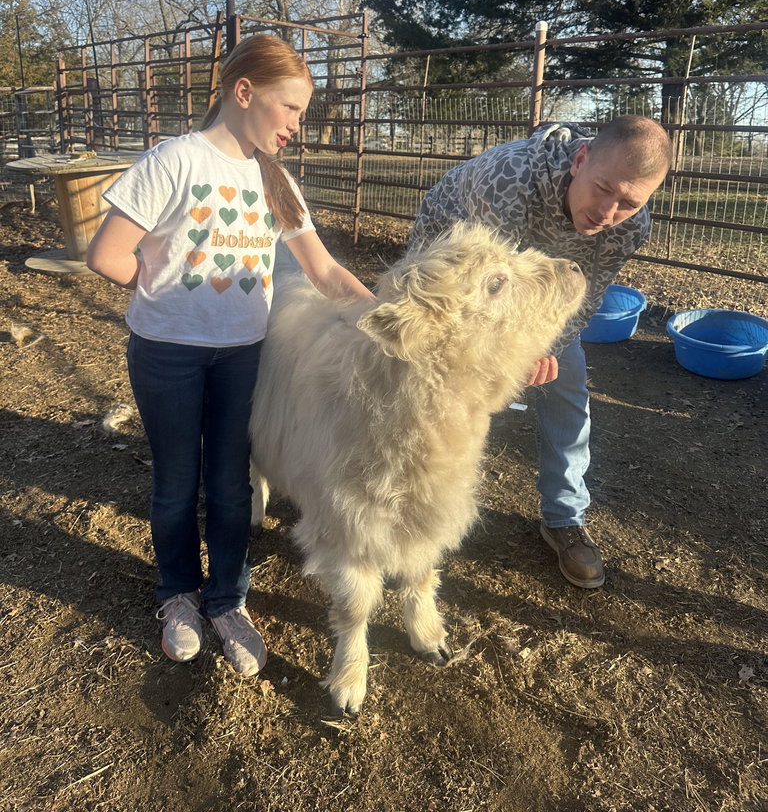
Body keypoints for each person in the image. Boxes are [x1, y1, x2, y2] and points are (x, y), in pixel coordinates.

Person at [86, 34, 374, 675]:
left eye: (301, 112)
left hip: (243, 356)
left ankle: (227, 601)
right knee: (176, 481)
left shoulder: (274, 180)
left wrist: (385, 316)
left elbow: (323, 270)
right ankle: (178, 596)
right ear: (244, 92)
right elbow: (106, 255)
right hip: (168, 355)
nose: (297, 125)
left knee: (230, 482)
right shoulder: (173, 162)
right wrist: (163, 291)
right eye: (290, 107)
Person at [409, 115, 672, 589]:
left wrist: (547, 347)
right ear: (581, 159)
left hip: (539, 284)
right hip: (455, 275)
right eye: (603, 188)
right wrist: (520, 349)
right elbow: (487, 285)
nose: (607, 212)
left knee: (567, 384)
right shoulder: (509, 177)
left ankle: (564, 517)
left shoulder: (630, 226)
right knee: (435, 382)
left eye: (629, 203)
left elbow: (587, 296)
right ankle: (407, 490)